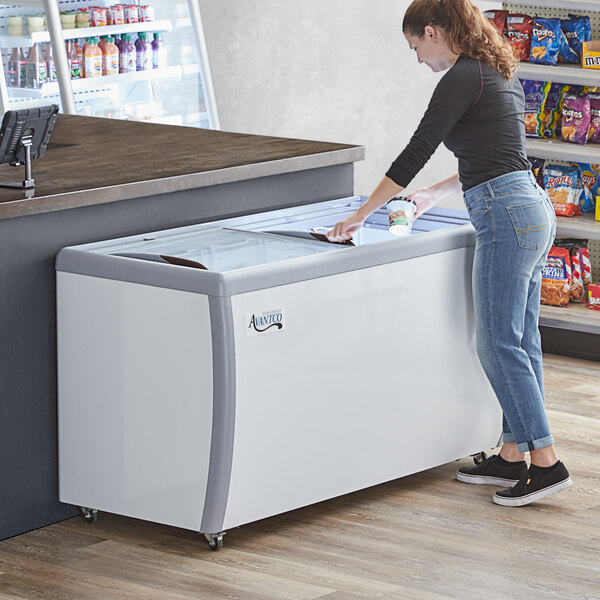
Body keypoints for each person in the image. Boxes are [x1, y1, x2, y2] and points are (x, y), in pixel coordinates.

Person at [327, 0, 572, 507]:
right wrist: (433, 196)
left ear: (434, 32)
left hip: (506, 215)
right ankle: (512, 451)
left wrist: (361, 215)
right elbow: (493, 155)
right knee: (521, 342)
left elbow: (415, 151)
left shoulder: (461, 77)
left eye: (415, 45)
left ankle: (546, 462)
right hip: (528, 208)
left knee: (498, 344)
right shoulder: (493, 70)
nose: (417, 57)